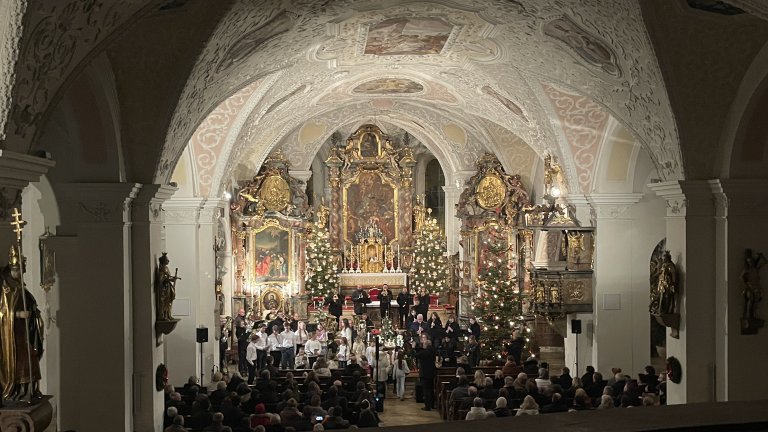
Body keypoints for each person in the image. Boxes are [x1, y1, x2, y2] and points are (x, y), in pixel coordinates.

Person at [0, 246, 44, 404]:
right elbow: (2, 312)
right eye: (19, 271)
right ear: (13, 269)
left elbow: (29, 303)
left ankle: (29, 391)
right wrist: (17, 315)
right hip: (10, 334)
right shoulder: (5, 288)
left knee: (30, 358)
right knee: (19, 362)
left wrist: (34, 313)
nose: (21, 274)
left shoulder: (18, 285)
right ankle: (17, 391)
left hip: (24, 332)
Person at [413, 339, 437, 411]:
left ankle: (427, 406)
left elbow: (415, 355)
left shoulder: (424, 352)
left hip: (425, 373)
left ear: (426, 345)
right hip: (432, 372)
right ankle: (432, 405)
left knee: (426, 390)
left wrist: (413, 348)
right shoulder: (433, 351)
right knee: (432, 389)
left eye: (423, 344)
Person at [741, 248, 766, 320]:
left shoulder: (756, 269)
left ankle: (754, 314)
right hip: (750, 287)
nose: (750, 263)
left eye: (751, 261)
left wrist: (761, 256)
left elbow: (764, 262)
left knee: (756, 300)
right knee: (751, 299)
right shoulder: (747, 270)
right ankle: (748, 314)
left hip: (756, 287)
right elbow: (742, 279)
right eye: (749, 262)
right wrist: (747, 287)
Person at [157, 253, 180, 321]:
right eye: (167, 260)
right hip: (164, 288)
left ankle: (168, 314)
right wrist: (168, 279)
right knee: (165, 302)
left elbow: (168, 277)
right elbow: (160, 279)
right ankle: (164, 316)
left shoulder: (166, 268)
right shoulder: (162, 268)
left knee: (169, 301)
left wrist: (172, 279)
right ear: (163, 260)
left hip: (168, 286)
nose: (168, 261)